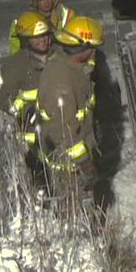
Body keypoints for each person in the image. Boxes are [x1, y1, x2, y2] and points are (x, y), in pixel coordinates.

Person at [37, 15, 105, 217]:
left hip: (73, 162)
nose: (94, 52)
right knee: (74, 213)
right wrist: (84, 163)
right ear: (81, 48)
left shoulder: (72, 68)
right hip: (68, 168)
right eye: (92, 47)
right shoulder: (62, 81)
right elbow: (63, 132)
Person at [0, 11, 52, 183]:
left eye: (45, 35)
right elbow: (2, 100)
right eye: (36, 37)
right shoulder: (15, 66)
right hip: (32, 138)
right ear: (26, 40)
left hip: (61, 130)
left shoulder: (59, 57)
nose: (43, 40)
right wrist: (25, 110)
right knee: (39, 178)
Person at [9, 0, 75, 54]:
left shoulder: (67, 15)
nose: (47, 2)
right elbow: (16, 53)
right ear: (34, 1)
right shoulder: (21, 23)